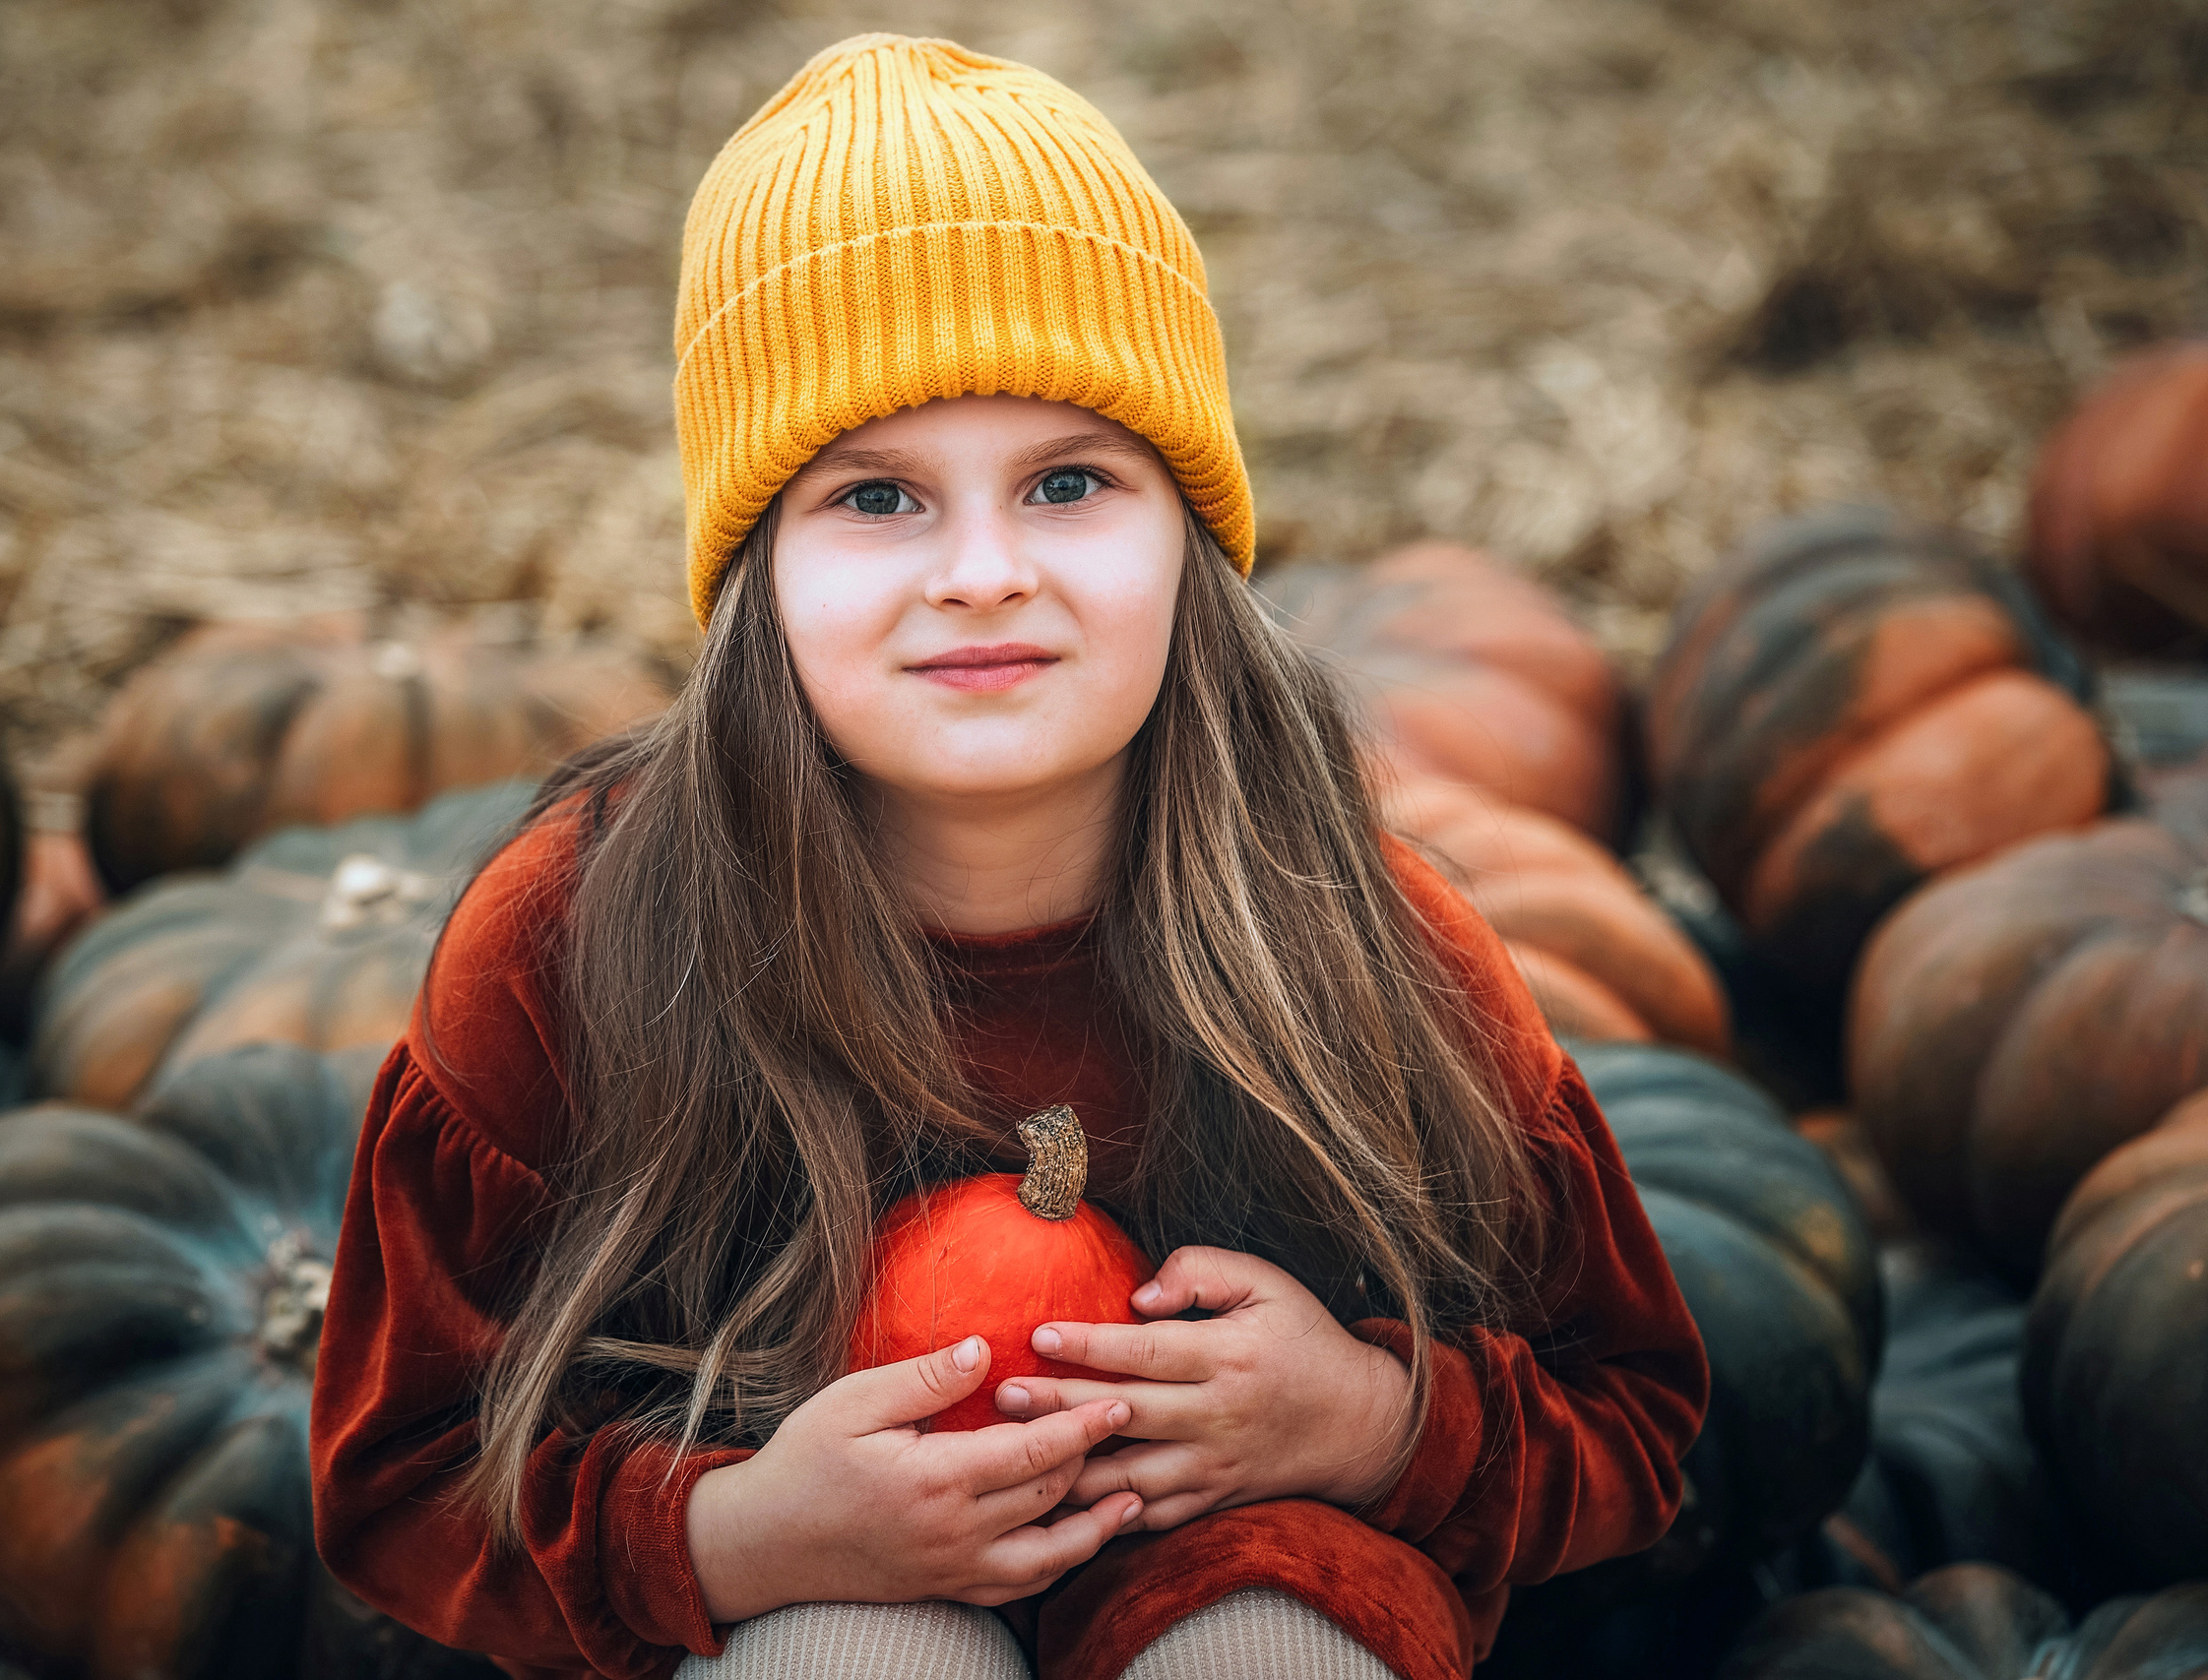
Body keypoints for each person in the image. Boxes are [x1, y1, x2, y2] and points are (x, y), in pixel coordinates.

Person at [310, 33, 1707, 1680]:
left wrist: (1371, 1423)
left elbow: (1636, 1410)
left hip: (1267, 1575)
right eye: (875, 498)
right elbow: (398, 1479)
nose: (981, 572)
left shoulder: (1359, 941)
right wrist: (740, 1533)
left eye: (1067, 481)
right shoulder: (582, 941)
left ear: (1191, 532)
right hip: (798, 1600)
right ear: (755, 566)